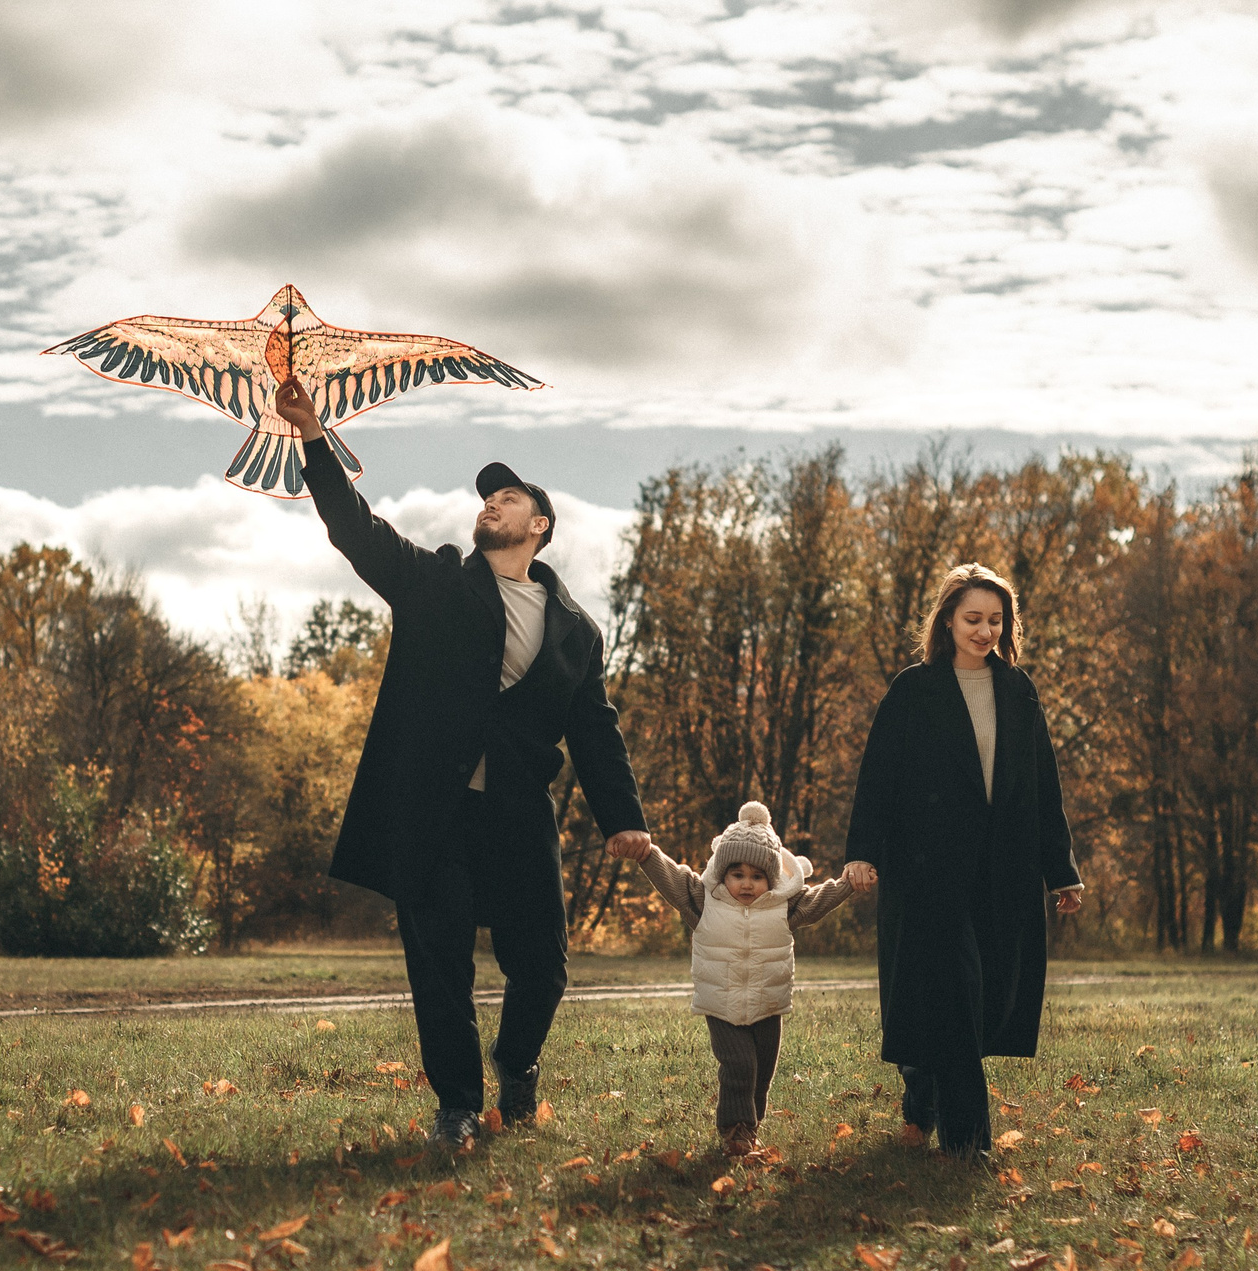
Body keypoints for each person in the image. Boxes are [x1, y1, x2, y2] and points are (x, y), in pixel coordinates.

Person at [270, 377, 652, 1151]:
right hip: (432, 811)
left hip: (517, 812)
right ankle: (457, 1104)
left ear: (539, 526)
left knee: (542, 964)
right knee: (439, 959)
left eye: (508, 499)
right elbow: (356, 530)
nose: (490, 505)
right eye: (486, 499)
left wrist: (624, 819)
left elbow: (595, 729)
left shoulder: (576, 631)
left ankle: (518, 1060)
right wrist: (312, 433)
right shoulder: (436, 584)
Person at [841, 564, 1085, 1159]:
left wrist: (1061, 870)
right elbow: (878, 777)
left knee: (978, 999)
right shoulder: (913, 690)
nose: (984, 631)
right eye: (972, 618)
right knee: (951, 993)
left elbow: (1042, 786)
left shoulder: (1019, 691)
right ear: (947, 620)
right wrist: (862, 853)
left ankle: (920, 1098)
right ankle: (968, 1145)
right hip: (928, 872)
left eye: (995, 620)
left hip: (1004, 872)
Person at [626, 801, 853, 1157]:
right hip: (722, 1004)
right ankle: (734, 1130)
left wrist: (849, 884)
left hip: (768, 1004)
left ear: (771, 879)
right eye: (738, 874)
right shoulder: (704, 900)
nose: (747, 884)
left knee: (761, 1074)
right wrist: (646, 854)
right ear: (722, 873)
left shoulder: (783, 905)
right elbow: (673, 877)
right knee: (739, 1065)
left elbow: (820, 899)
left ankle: (750, 1126)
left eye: (757, 876)